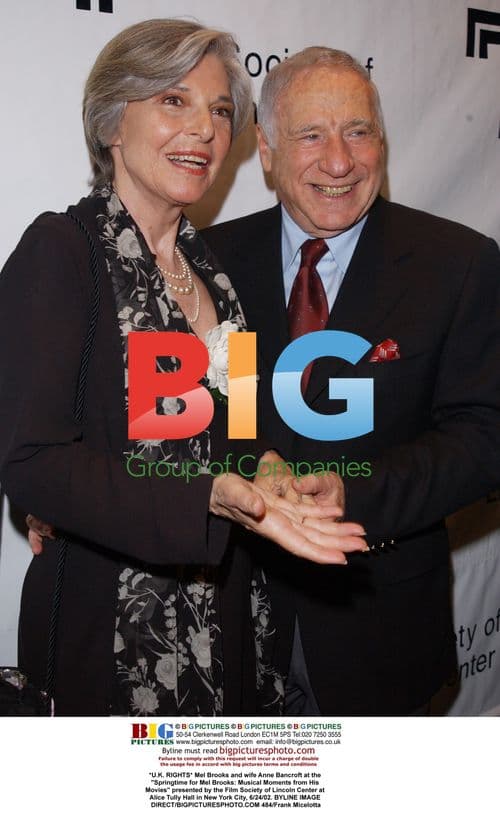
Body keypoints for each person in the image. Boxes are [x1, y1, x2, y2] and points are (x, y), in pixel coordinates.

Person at [0, 25, 367, 717]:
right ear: (113, 122)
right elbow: (33, 463)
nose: (204, 128)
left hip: (226, 617)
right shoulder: (62, 252)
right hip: (109, 629)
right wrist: (205, 497)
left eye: (220, 110)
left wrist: (269, 472)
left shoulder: (215, 276)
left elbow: (241, 433)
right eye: (174, 100)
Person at [202, 47, 500, 715]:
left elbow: (484, 439)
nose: (339, 161)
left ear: (382, 142)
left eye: (358, 131)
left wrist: (352, 493)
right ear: (267, 150)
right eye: (311, 135)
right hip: (229, 629)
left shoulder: (458, 264)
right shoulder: (211, 262)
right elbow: (203, 414)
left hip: (379, 632)